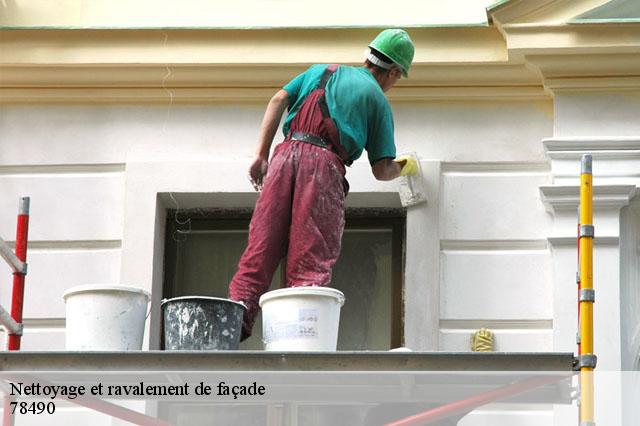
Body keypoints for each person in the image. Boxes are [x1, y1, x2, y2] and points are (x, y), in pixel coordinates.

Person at [228, 29, 419, 340]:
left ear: (369, 56)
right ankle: (298, 341)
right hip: (323, 167)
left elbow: (278, 99)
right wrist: (405, 166)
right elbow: (382, 170)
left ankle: (232, 325)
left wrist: (261, 155)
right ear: (394, 72)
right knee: (310, 258)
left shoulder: (320, 71)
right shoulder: (377, 100)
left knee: (261, 246)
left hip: (283, 157)